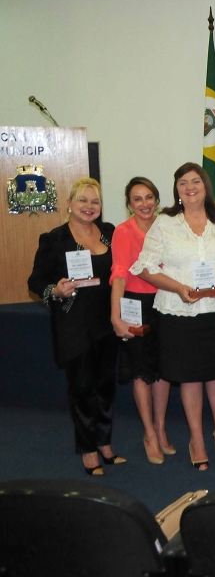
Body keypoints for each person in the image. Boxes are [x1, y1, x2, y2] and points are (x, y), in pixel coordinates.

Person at [132, 163, 215, 471]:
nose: (190, 187)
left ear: (206, 186)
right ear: (176, 190)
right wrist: (178, 287)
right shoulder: (165, 222)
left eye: (195, 181)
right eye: (183, 183)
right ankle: (197, 440)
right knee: (190, 377)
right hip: (179, 311)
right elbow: (146, 267)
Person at [28, 178, 121, 475]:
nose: (89, 206)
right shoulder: (54, 239)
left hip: (107, 321)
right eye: (83, 200)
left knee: (105, 386)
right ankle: (88, 448)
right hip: (74, 325)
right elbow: (35, 281)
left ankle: (104, 441)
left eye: (95, 201)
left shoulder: (109, 233)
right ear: (69, 204)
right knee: (82, 388)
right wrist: (55, 290)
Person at [110, 177, 174, 465]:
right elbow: (119, 275)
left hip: (165, 303)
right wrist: (116, 315)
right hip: (135, 305)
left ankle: (160, 429)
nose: (144, 203)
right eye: (137, 199)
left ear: (157, 200)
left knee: (162, 370)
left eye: (149, 197)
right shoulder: (123, 232)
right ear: (129, 204)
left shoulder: (166, 226)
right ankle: (148, 433)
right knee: (141, 372)